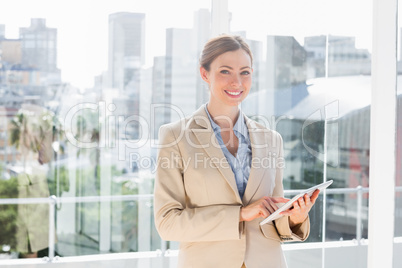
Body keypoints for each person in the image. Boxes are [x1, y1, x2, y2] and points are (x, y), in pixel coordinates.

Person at [153, 34, 320, 268]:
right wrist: (240, 214)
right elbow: (167, 223)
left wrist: (295, 218)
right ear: (204, 74)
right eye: (225, 71)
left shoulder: (271, 140)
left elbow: (272, 218)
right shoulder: (176, 137)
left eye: (245, 72)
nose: (237, 82)